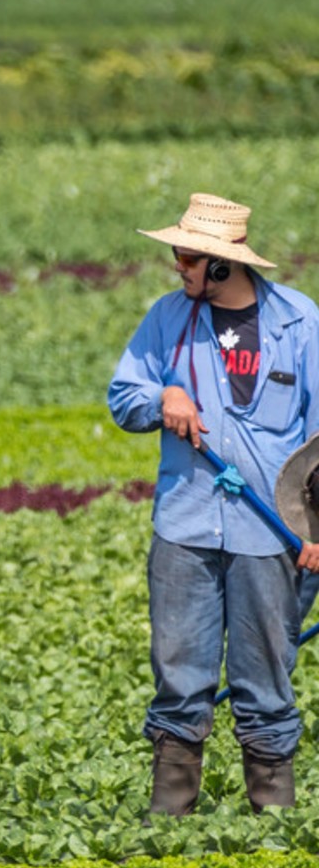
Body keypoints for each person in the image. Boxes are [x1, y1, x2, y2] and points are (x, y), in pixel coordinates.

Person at [107, 192, 319, 815]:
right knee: (179, 677)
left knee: (265, 683)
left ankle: (271, 825)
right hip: (186, 523)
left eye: (187, 257)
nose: (177, 266)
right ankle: (169, 821)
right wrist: (162, 396)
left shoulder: (300, 323)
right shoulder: (167, 319)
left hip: (270, 533)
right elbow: (124, 395)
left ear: (222, 265)